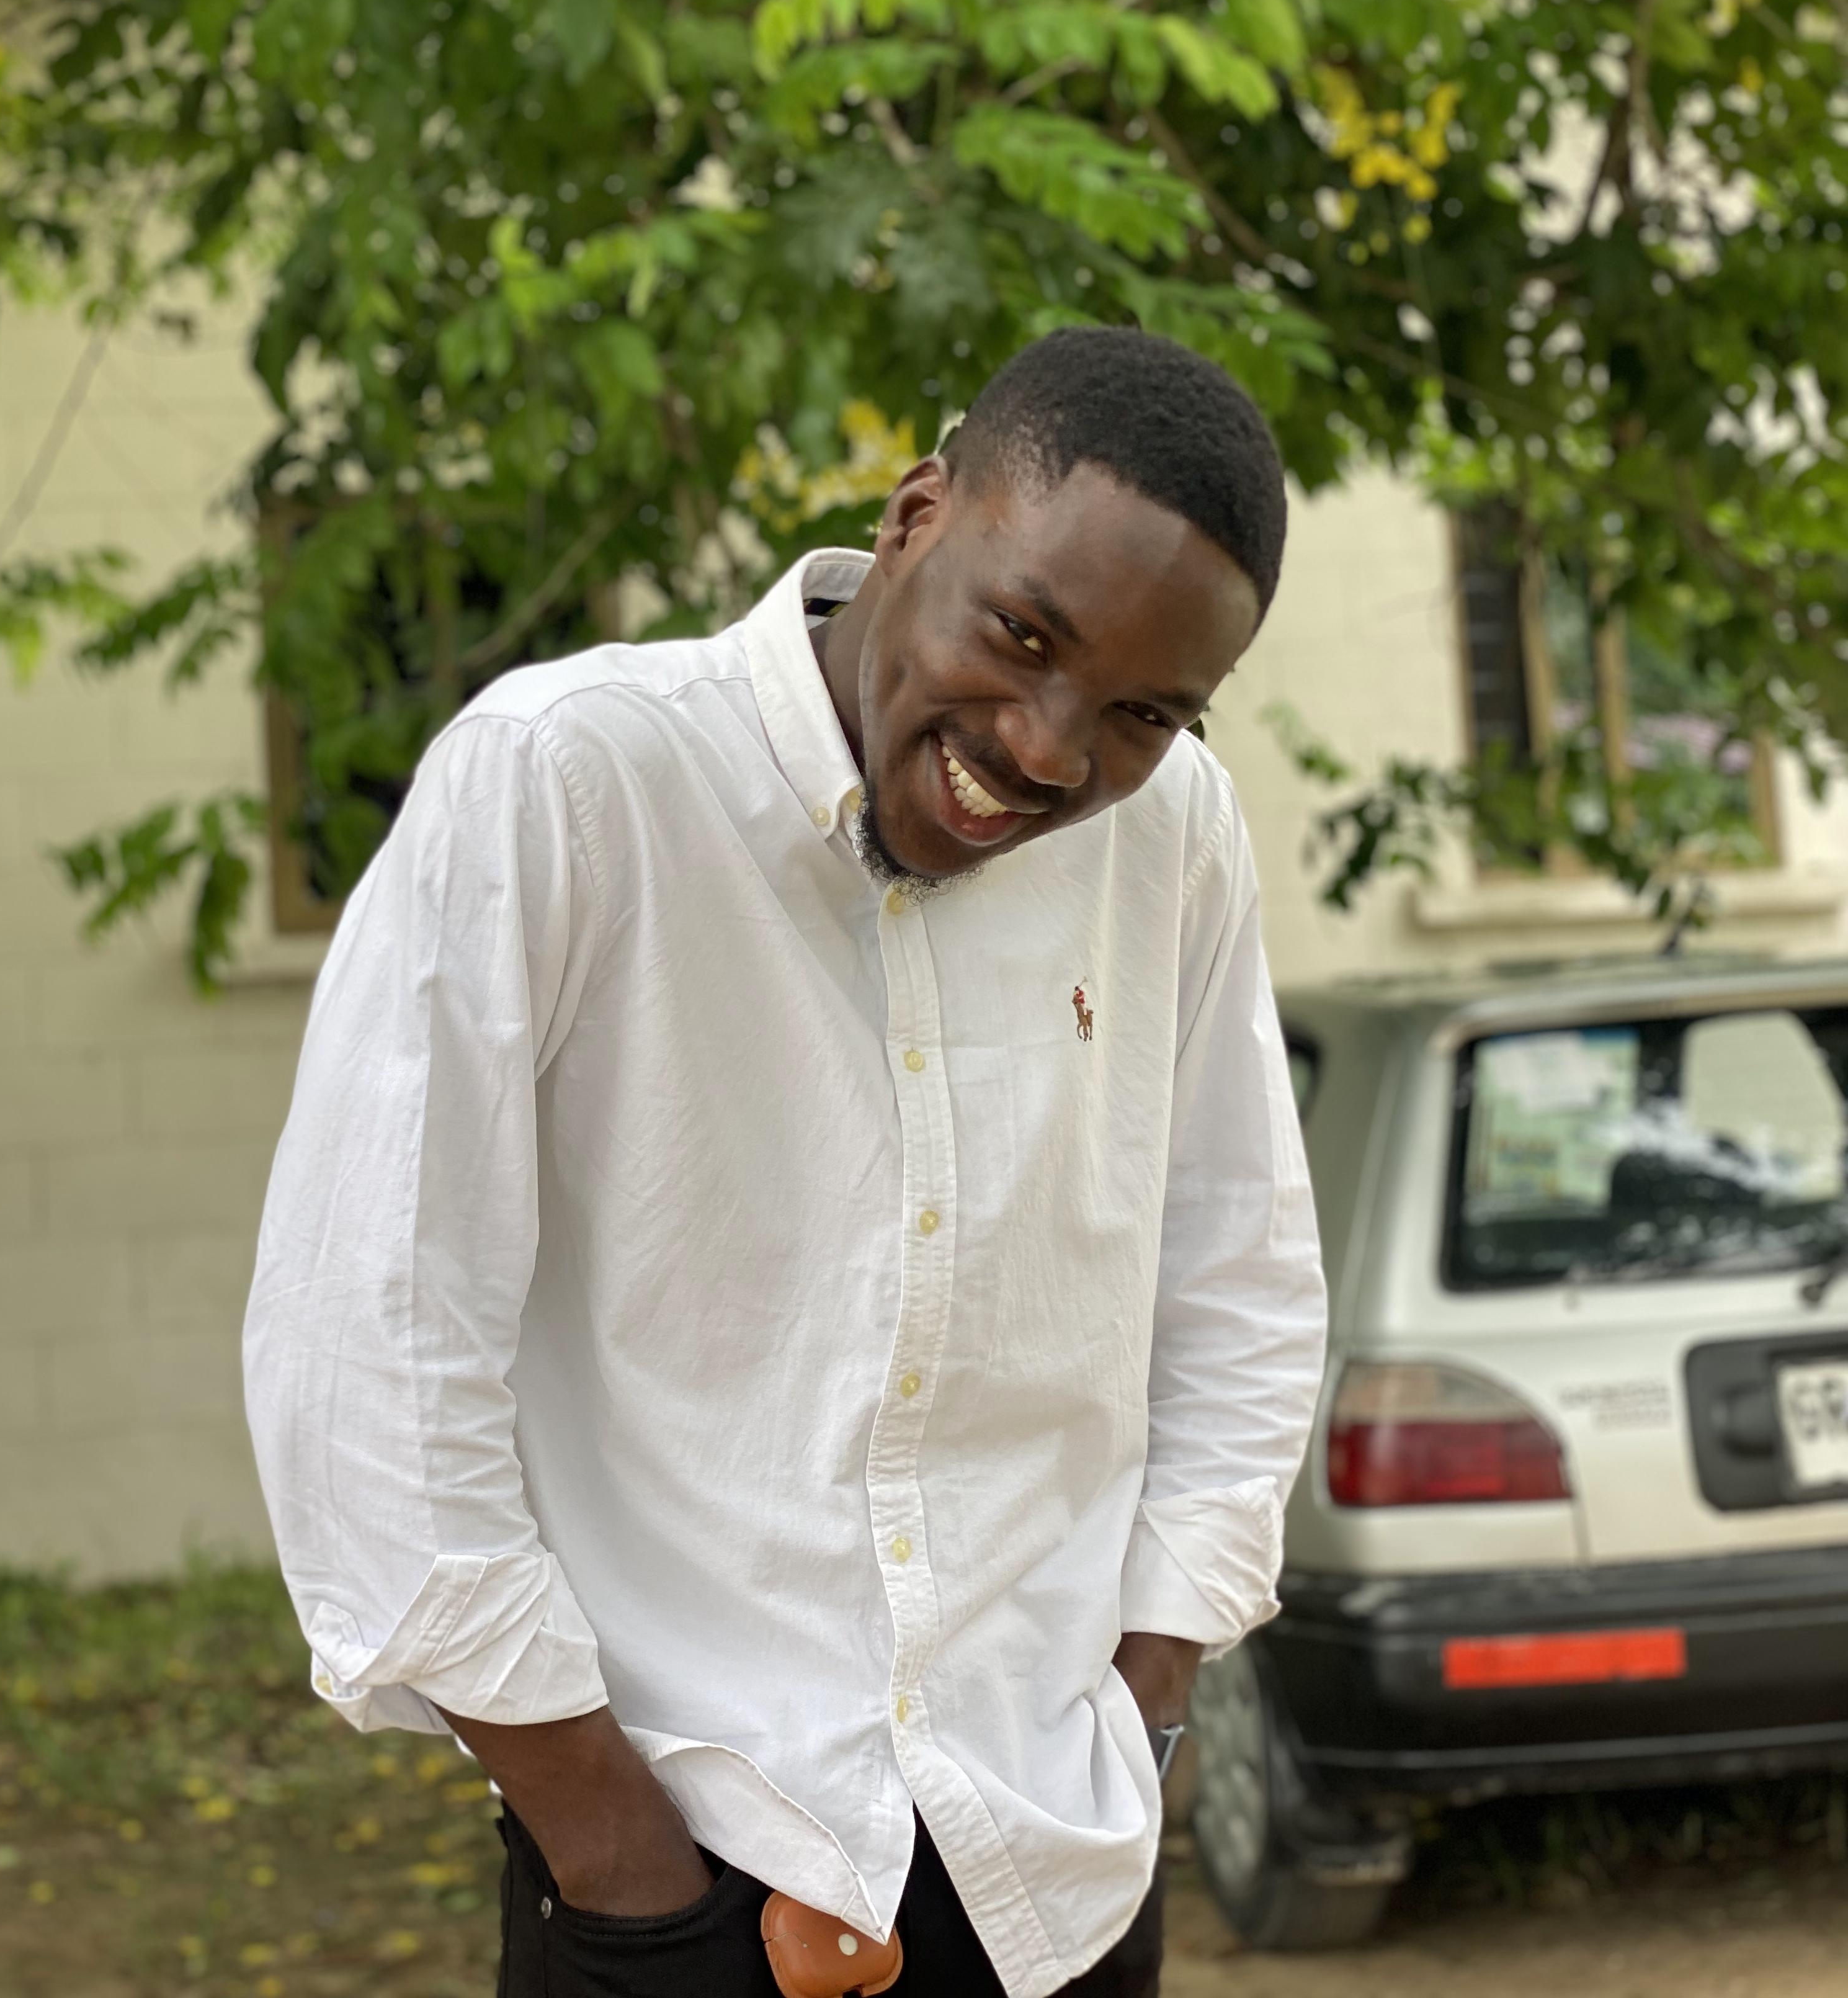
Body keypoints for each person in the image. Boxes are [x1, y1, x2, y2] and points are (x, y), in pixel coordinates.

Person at [245, 324, 1328, 1998]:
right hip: (673, 1880)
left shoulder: (1176, 833)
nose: (1050, 749)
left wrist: (1150, 1701)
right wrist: (620, 1864)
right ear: (915, 517)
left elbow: (1237, 1287)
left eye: (1141, 712)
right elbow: (369, 1356)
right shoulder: (566, 781)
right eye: (1022, 635)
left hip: (1058, 1876)